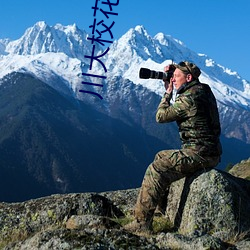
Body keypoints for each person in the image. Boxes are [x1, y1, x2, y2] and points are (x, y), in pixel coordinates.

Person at [124, 61, 222, 233]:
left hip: (199, 153)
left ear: (189, 78)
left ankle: (141, 224)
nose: (173, 79)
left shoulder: (189, 99)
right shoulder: (203, 90)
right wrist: (175, 72)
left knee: (157, 168)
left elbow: (160, 117)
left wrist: (167, 93)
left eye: (177, 77)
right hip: (209, 151)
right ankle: (161, 210)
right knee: (161, 156)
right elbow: (185, 81)